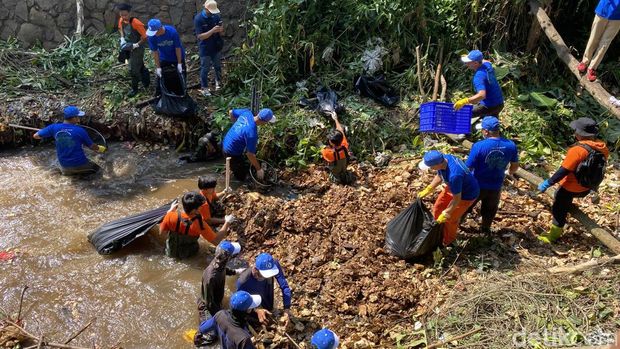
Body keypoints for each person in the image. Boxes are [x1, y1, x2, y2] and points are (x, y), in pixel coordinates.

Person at [537, 117, 609, 243]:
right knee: (566, 199)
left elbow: (563, 171)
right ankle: (569, 203)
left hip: (569, 188)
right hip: (587, 188)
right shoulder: (603, 147)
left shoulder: (577, 150)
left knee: (559, 206)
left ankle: (553, 235)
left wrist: (547, 183)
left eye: (576, 131)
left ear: (580, 134)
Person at [465, 116, 519, 234]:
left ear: (486, 131)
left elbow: (467, 167)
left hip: (477, 184)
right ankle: (485, 230)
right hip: (495, 186)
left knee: (465, 207)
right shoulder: (511, 145)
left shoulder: (479, 146)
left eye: (482, 130)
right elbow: (515, 166)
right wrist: (508, 172)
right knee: (490, 210)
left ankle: (457, 227)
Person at [418, 150, 480, 245]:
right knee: (438, 207)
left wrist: (447, 213)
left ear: (438, 164)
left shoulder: (454, 175)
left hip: (466, 195)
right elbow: (440, 174)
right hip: (454, 187)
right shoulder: (445, 158)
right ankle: (437, 229)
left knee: (451, 219)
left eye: (431, 167)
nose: (430, 168)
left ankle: (448, 241)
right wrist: (429, 188)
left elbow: (457, 199)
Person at [33, 106, 106, 175]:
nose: (79, 118)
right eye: (78, 116)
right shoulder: (80, 130)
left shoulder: (53, 127)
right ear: (74, 118)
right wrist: (101, 148)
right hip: (81, 165)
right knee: (100, 171)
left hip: (65, 167)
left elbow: (35, 136)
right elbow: (92, 147)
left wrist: (52, 134)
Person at [159, 191, 234, 259]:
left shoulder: (169, 216)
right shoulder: (200, 224)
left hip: (170, 253)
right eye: (201, 206)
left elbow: (161, 234)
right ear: (195, 210)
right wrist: (227, 222)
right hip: (189, 255)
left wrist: (169, 212)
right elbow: (216, 241)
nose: (202, 207)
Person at [194, 240, 242, 346]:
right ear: (227, 257)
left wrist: (236, 272)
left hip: (215, 300)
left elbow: (224, 270)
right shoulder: (210, 277)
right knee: (212, 336)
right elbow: (208, 303)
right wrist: (221, 315)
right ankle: (199, 339)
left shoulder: (219, 262)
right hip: (207, 306)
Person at [236, 252, 292, 327]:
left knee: (269, 306)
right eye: (265, 275)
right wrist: (256, 310)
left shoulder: (273, 264)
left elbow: (284, 287)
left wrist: (286, 310)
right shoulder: (243, 281)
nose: (268, 276)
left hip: (267, 287)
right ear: (256, 269)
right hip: (253, 292)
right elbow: (241, 302)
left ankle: (269, 309)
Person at [222, 108, 276, 181]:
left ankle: (232, 167)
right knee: (241, 176)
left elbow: (231, 112)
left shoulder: (246, 113)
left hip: (226, 141)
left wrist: (235, 125)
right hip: (231, 152)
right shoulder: (252, 134)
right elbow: (250, 154)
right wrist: (259, 169)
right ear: (264, 122)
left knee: (240, 163)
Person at [453, 50, 504, 120]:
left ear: (476, 63)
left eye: (468, 62)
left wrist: (465, 101)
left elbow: (481, 95)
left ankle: (460, 129)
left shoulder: (478, 77)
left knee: (463, 114)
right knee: (491, 123)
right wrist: (469, 57)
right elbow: (485, 61)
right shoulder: (487, 65)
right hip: (499, 102)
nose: (466, 63)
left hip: (489, 105)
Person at [577, 0, 620, 82]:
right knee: (594, 38)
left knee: (605, 44)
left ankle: (592, 68)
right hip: (603, 10)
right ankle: (584, 62)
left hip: (617, 17)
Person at [146, 18, 187, 96]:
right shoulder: (152, 37)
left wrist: (179, 63)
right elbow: (155, 52)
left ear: (160, 28)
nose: (153, 34)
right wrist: (158, 67)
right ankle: (159, 95)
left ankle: (182, 92)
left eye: (154, 32)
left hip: (177, 56)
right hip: (164, 57)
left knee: (181, 74)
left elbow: (177, 48)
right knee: (160, 76)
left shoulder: (172, 32)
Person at [116, 3, 150, 97]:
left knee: (133, 69)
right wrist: (122, 39)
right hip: (127, 45)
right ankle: (146, 80)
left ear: (130, 13)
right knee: (139, 64)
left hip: (137, 48)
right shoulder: (121, 20)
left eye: (125, 15)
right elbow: (120, 29)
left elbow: (145, 37)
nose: (123, 17)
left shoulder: (136, 23)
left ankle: (134, 89)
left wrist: (136, 45)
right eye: (121, 15)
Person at [194, 0, 224, 97]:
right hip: (205, 48)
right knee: (205, 68)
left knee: (217, 66)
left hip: (216, 45)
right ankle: (205, 87)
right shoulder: (198, 19)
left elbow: (221, 29)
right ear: (206, 9)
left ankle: (218, 83)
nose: (212, 13)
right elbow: (200, 36)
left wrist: (220, 30)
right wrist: (212, 31)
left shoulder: (216, 16)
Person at [321, 112, 354, 185]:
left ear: (332, 143)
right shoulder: (344, 145)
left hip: (335, 175)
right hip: (344, 171)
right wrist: (335, 119)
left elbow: (322, 150)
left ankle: (334, 180)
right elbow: (340, 130)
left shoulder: (328, 153)